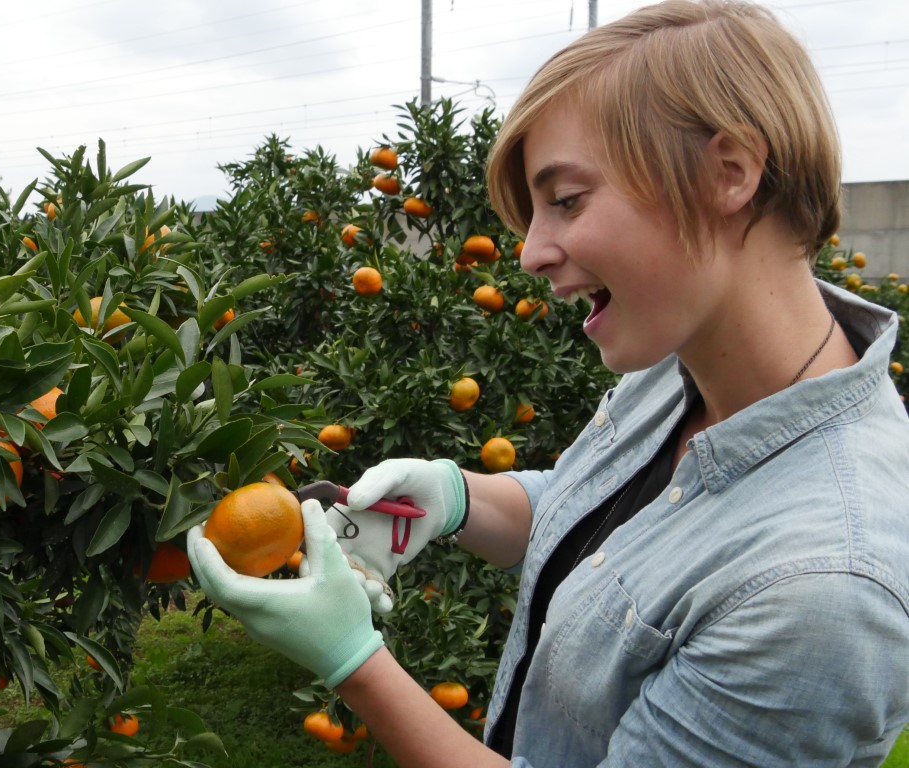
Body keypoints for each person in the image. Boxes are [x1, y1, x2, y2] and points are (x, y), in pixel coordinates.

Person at [186, 0, 909, 765]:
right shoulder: (680, 362)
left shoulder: (822, 592)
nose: (529, 252)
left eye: (565, 200)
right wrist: (456, 496)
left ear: (727, 173)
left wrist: (352, 663)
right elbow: (603, 516)